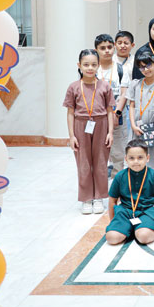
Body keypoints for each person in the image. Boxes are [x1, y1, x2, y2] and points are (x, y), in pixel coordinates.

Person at [64, 49, 115, 214]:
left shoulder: (104, 86)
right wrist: (71, 136)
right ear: (79, 65)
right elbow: (70, 113)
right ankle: (86, 198)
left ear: (98, 65)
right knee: (83, 163)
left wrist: (110, 132)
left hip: (101, 125)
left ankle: (99, 197)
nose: (90, 68)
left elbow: (110, 111)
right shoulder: (73, 87)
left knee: (101, 163)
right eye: (86, 64)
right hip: (81, 125)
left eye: (93, 64)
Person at [105, 139, 154, 245]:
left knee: (144, 237)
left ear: (147, 158)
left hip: (147, 212)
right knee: (112, 238)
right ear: (126, 159)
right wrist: (113, 222)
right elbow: (112, 200)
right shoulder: (120, 176)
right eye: (131, 158)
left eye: (140, 157)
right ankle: (131, 228)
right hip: (125, 212)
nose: (136, 161)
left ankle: (141, 228)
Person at [126, 51, 154, 178]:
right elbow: (132, 106)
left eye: (148, 65)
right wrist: (133, 126)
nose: (145, 69)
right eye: (141, 67)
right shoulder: (135, 84)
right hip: (137, 129)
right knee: (136, 161)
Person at [95, 34, 129, 179]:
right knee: (98, 150)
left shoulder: (121, 69)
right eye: (102, 48)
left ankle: (117, 181)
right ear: (96, 50)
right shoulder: (93, 69)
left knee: (118, 151)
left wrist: (117, 113)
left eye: (109, 47)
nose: (107, 51)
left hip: (117, 116)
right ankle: (99, 181)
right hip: (97, 116)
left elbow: (124, 93)